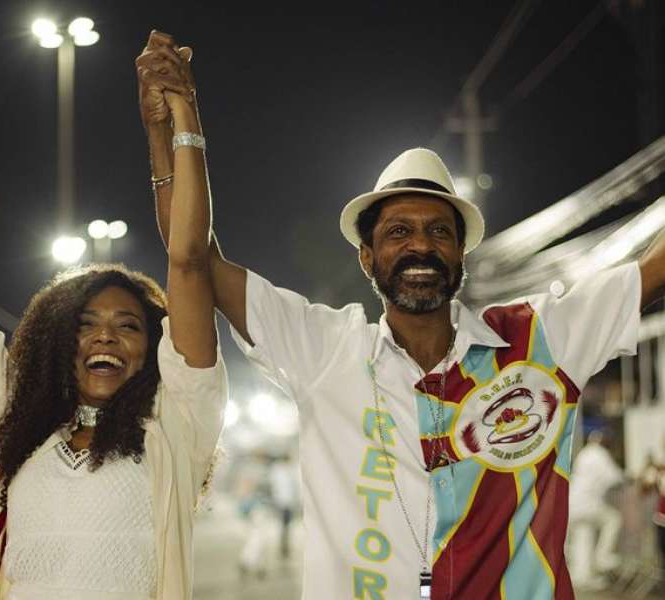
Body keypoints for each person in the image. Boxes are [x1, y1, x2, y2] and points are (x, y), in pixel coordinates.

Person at [139, 33, 665, 599]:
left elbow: (655, 267)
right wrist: (173, 125)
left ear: (461, 253)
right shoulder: (326, 349)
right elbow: (193, 255)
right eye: (398, 232)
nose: (421, 245)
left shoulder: (541, 337)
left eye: (440, 231)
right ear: (367, 257)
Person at [0, 37, 226, 599]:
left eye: (128, 325)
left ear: (153, 349)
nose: (105, 334)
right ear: (58, 340)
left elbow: (191, 261)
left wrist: (178, 125)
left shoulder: (176, 424)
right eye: (85, 323)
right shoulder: (21, 419)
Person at [567, 429, 624, 590]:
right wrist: (626, 478)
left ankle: (582, 577)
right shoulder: (599, 454)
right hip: (587, 503)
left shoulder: (584, 454)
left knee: (583, 538)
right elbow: (614, 476)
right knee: (613, 519)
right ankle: (603, 557)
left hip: (573, 503)